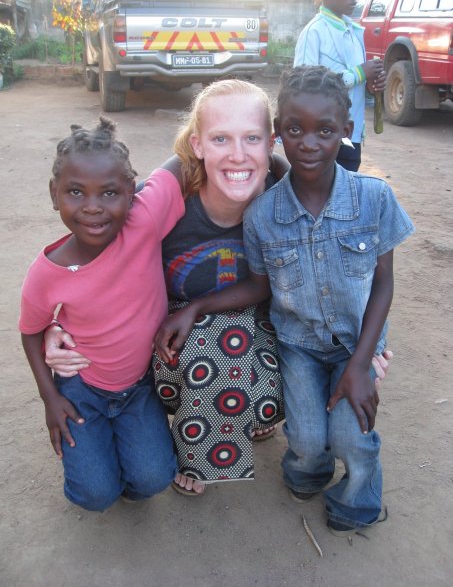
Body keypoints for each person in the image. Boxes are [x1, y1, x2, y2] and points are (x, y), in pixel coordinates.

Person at [44, 80, 392, 497]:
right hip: (167, 337)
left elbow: (343, 275)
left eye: (252, 138)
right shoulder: (167, 198)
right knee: (214, 345)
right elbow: (94, 247)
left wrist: (364, 350)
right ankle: (197, 445)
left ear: (271, 142)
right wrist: (57, 324)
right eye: (220, 139)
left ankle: (249, 412)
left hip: (262, 326)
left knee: (252, 351)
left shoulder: (289, 198)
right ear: (198, 144)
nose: (238, 154)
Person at [155, 65, 414, 534]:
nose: (309, 143)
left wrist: (364, 359)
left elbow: (383, 282)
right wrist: (193, 308)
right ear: (280, 134)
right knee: (308, 437)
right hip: (294, 346)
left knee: (352, 435)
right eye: (295, 130)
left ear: (346, 130)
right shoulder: (254, 213)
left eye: (325, 131)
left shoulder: (371, 198)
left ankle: (358, 499)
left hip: (349, 342)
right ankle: (302, 470)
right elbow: (259, 286)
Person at [19, 117, 185, 511]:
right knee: (95, 495)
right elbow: (30, 331)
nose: (93, 207)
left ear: (132, 192)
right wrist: (49, 398)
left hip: (140, 386)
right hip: (82, 389)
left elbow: (183, 158)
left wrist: (274, 155)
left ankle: (121, 462)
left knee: (153, 479)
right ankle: (99, 465)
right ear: (54, 194)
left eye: (109, 193)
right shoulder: (47, 273)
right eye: (76, 192)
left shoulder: (143, 220)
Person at [293, 0, 386, 171]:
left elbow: (356, 91)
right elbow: (302, 87)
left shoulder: (353, 33)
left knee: (346, 184)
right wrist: (359, 73)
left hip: (351, 136)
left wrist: (370, 87)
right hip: (321, 138)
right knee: (321, 186)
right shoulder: (314, 32)